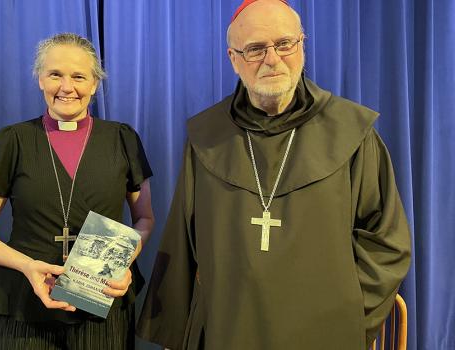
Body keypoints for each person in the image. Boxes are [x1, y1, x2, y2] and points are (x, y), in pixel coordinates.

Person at [136, 1, 411, 349]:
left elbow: (386, 241)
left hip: (325, 331)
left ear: (302, 45)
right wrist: (178, 330)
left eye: (284, 43)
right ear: (233, 59)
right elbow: (183, 238)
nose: (273, 58)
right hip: (229, 327)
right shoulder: (207, 136)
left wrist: (347, 315)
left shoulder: (351, 131)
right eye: (255, 49)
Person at [0, 33, 154, 349]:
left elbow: (144, 219)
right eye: (55, 74)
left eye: (79, 76)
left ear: (94, 84)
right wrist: (28, 266)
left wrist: (123, 263)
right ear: (40, 79)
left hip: (100, 302)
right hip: (22, 306)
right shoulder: (11, 141)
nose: (67, 87)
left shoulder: (123, 139)